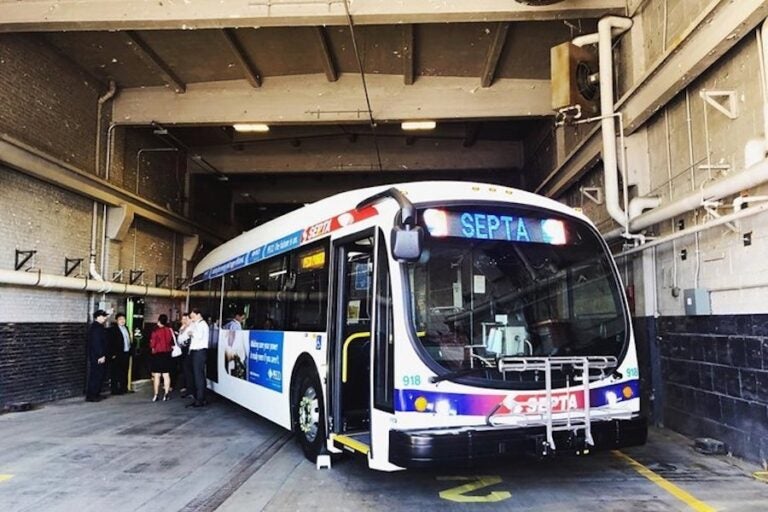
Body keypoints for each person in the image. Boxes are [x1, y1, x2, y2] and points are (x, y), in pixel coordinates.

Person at [187, 308, 210, 407]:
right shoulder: (197, 324)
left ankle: (200, 399)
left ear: (199, 314)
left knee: (199, 376)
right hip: (196, 352)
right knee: (197, 375)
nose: (192, 318)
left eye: (193, 316)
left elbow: (198, 336)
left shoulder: (202, 324)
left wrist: (192, 332)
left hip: (200, 352)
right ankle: (199, 397)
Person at [149, 314, 175, 402]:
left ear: (159, 321)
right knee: (166, 375)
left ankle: (156, 395)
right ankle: (166, 394)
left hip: (158, 355)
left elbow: (152, 344)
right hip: (167, 354)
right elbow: (171, 342)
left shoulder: (155, 331)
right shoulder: (169, 330)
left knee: (157, 375)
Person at [86, 309, 109, 402]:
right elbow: (97, 343)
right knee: (96, 375)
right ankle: (92, 395)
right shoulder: (97, 328)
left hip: (96, 355)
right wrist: (101, 355)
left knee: (97, 375)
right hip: (97, 356)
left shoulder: (97, 327)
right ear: (98, 317)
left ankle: (96, 394)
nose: (105, 318)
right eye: (103, 316)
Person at [108, 312, 132, 395]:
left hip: (126, 353)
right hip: (117, 354)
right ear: (117, 320)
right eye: (120, 319)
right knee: (115, 372)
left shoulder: (127, 328)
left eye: (124, 319)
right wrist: (113, 354)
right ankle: (114, 390)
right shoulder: (113, 330)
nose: (122, 321)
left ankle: (123, 388)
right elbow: (111, 343)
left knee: (125, 371)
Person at [176, 312, 195, 398]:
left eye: (186, 319)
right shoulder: (183, 327)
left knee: (189, 371)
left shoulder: (192, 328)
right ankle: (187, 388)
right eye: (183, 319)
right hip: (182, 350)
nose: (184, 321)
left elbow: (187, 338)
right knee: (185, 370)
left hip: (188, 350)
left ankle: (191, 390)